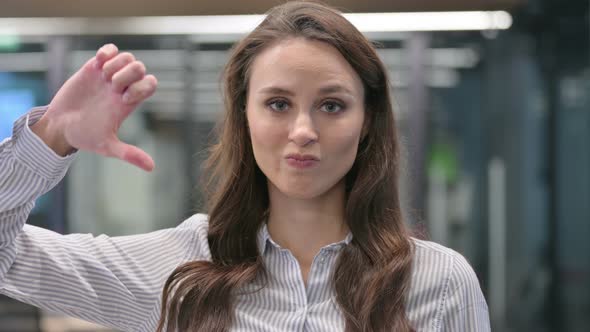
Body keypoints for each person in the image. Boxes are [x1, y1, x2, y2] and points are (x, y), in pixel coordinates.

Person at [0, 1, 490, 331]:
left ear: (368, 121)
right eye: (278, 104)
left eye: (332, 105)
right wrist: (51, 139)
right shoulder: (179, 271)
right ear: (245, 117)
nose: (303, 130)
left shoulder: (438, 282)